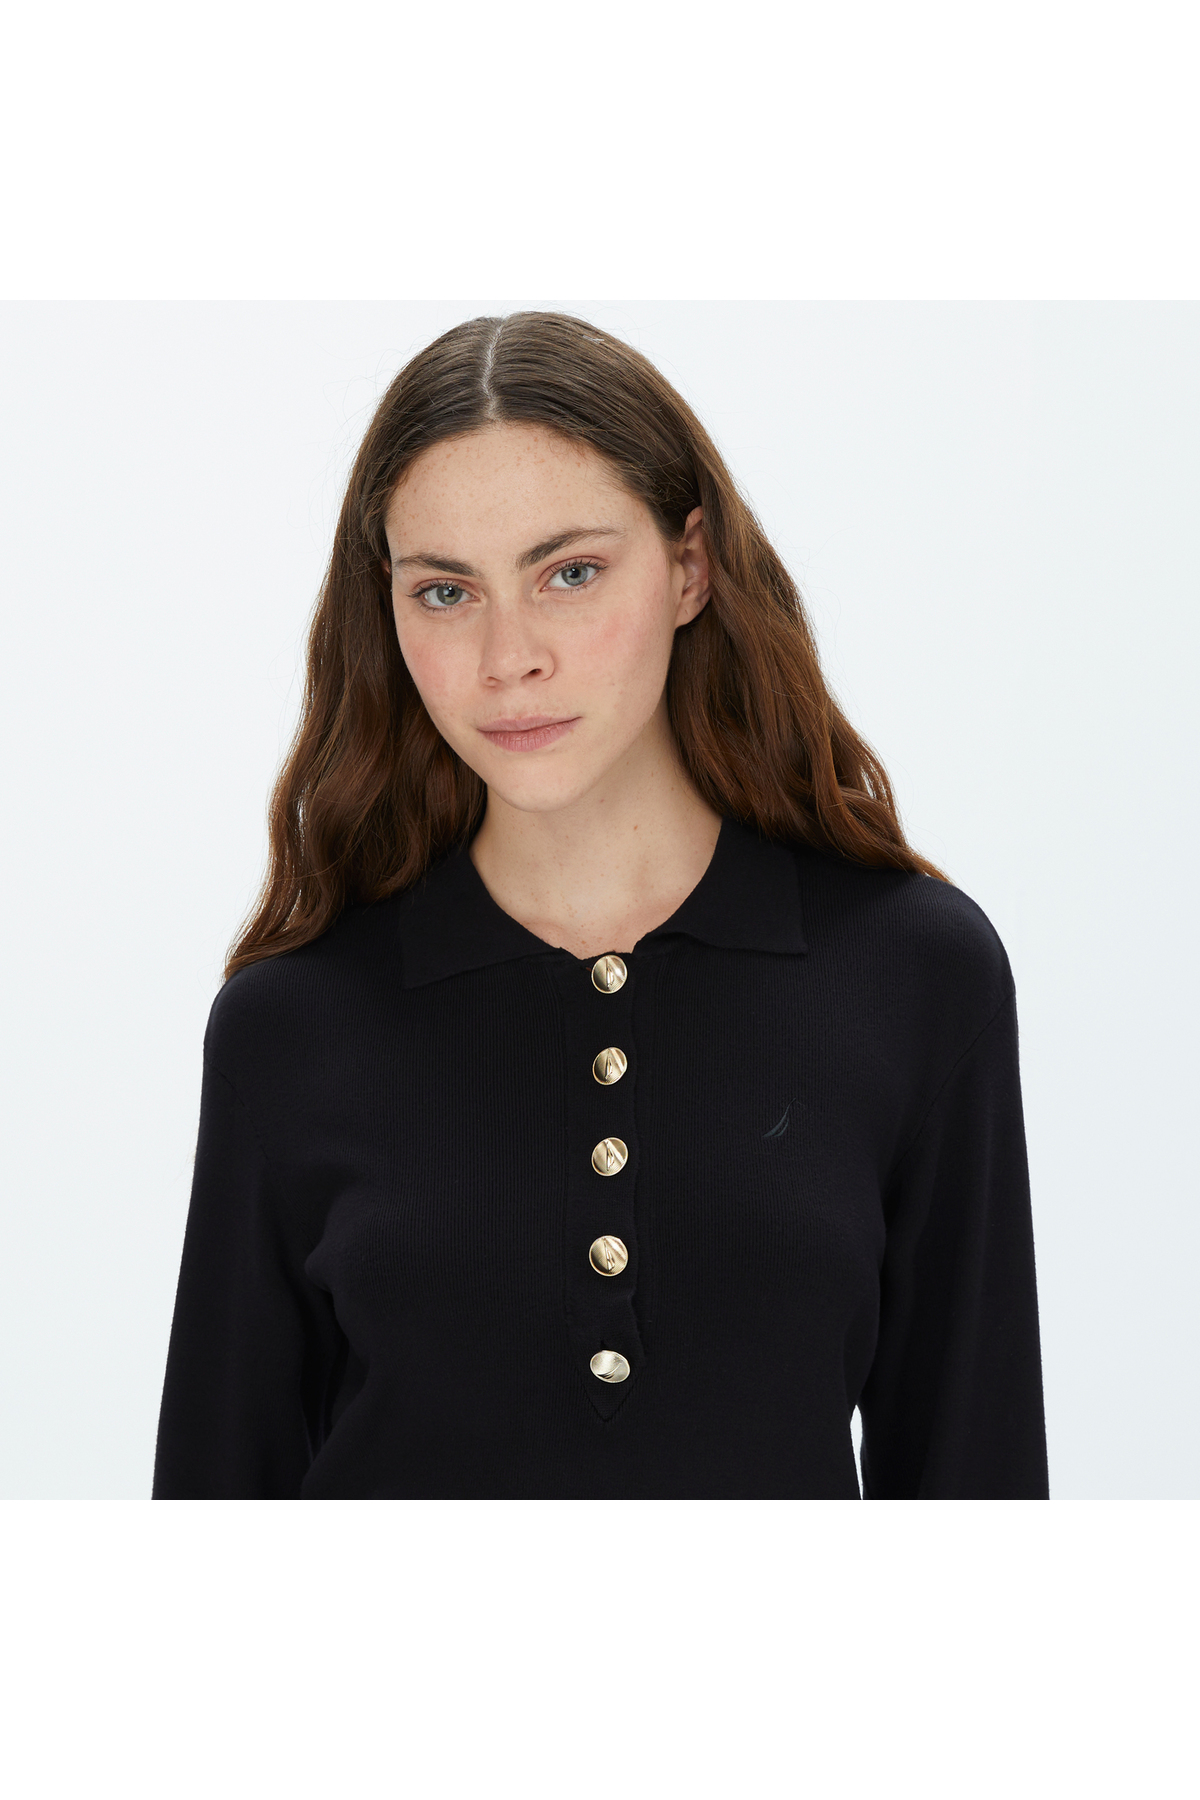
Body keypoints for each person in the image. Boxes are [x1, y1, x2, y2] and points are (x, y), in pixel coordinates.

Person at [152, 311, 1049, 1499]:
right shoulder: (293, 1025)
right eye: (445, 592)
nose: (508, 658)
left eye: (569, 574)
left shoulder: (912, 974)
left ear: (690, 567)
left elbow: (979, 1478)